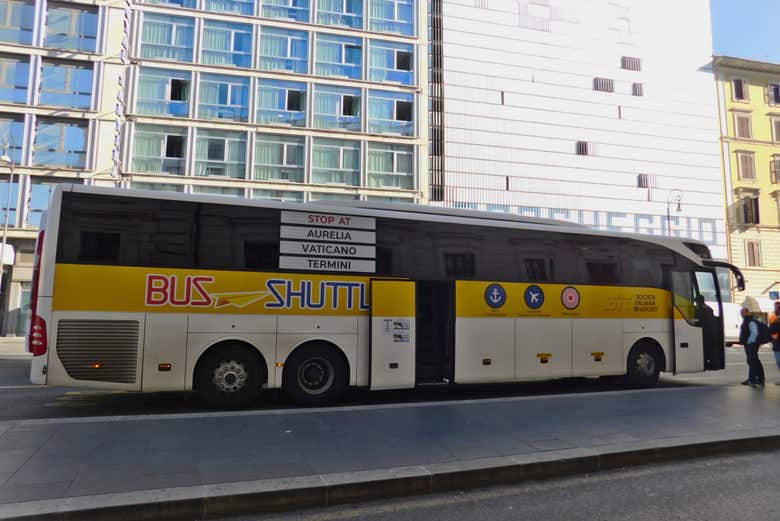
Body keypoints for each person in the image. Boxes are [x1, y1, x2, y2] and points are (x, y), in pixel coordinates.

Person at [739, 307, 765, 387]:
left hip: (751, 344)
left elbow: (754, 332)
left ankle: (752, 379)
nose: (742, 314)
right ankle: (760, 379)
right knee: (755, 361)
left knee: (752, 361)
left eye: (743, 312)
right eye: (741, 312)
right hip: (751, 344)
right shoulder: (748, 320)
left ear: (748, 312)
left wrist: (749, 342)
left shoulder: (750, 320)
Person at [694, 295, 716, 364]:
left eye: (696, 302)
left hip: (703, 332)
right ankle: (709, 361)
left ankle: (705, 361)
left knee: (704, 348)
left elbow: (697, 320)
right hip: (710, 332)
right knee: (709, 347)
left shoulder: (701, 309)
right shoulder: (709, 309)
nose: (696, 304)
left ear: (698, 302)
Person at [770, 301, 780, 385]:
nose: (775, 310)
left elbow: (771, 331)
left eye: (776, 308)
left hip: (778, 346)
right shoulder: (776, 319)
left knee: (779, 361)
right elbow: (772, 331)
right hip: (778, 345)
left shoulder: (776, 320)